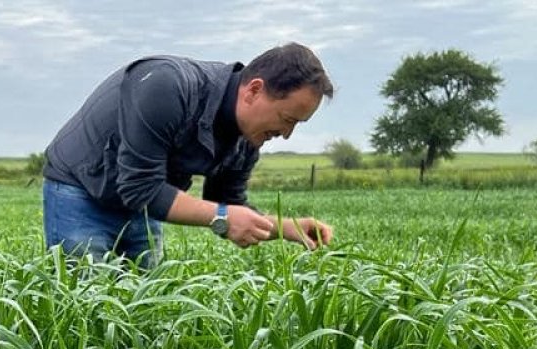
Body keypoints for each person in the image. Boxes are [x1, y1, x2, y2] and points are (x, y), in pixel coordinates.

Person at [41, 43, 335, 268]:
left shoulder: (246, 140)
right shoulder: (167, 85)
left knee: (140, 308)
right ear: (254, 90)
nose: (287, 134)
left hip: (142, 203)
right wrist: (221, 216)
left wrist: (287, 228)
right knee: (85, 309)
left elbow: (230, 207)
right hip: (80, 190)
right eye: (287, 119)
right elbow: (141, 188)